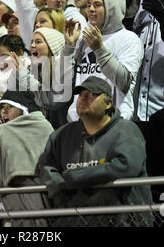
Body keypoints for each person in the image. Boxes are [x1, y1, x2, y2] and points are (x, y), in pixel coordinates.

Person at [38, 76, 153, 227]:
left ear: (108, 104)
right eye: (81, 95)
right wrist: (57, 182)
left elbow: (125, 166)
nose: (84, 98)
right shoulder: (61, 135)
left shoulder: (126, 130)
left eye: (92, 94)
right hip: (73, 220)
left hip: (122, 221)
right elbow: (45, 165)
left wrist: (74, 177)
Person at [69, 0, 144, 121]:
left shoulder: (128, 38)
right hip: (80, 120)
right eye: (88, 5)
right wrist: (68, 47)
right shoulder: (84, 40)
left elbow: (124, 81)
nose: (91, 9)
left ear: (112, 8)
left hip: (113, 120)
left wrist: (99, 49)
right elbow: (65, 85)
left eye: (97, 5)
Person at [0, 91, 53, 227]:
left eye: (10, 106)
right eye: (2, 107)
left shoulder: (43, 125)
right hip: (14, 189)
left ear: (23, 109)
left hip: (46, 187)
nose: (4, 111)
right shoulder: (1, 131)